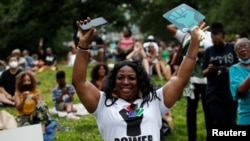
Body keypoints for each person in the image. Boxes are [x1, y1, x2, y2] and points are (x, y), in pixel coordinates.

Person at [72, 17, 202, 141]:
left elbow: (180, 78)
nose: (126, 82)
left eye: (132, 78)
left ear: (139, 80)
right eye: (120, 78)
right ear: (113, 81)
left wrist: (194, 42)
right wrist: (83, 43)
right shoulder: (102, 104)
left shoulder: (155, 101)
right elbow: (79, 82)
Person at [167, 22, 213, 141]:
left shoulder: (209, 35)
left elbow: (214, 51)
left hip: (207, 79)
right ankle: (191, 138)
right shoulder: (185, 35)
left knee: (208, 110)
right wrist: (182, 21)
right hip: (191, 80)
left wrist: (202, 51)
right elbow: (170, 27)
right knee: (191, 110)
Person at [202, 22, 238, 132]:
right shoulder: (209, 51)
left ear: (224, 37)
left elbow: (241, 67)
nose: (216, 44)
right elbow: (203, 72)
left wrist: (227, 70)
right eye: (214, 42)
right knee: (218, 123)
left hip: (231, 92)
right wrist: (210, 69)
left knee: (231, 122)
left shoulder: (233, 49)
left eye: (219, 41)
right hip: (214, 93)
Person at [229, 38, 250, 125]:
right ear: (236, 53)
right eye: (239, 48)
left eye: (245, 46)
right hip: (247, 113)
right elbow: (241, 90)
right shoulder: (235, 69)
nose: (243, 49)